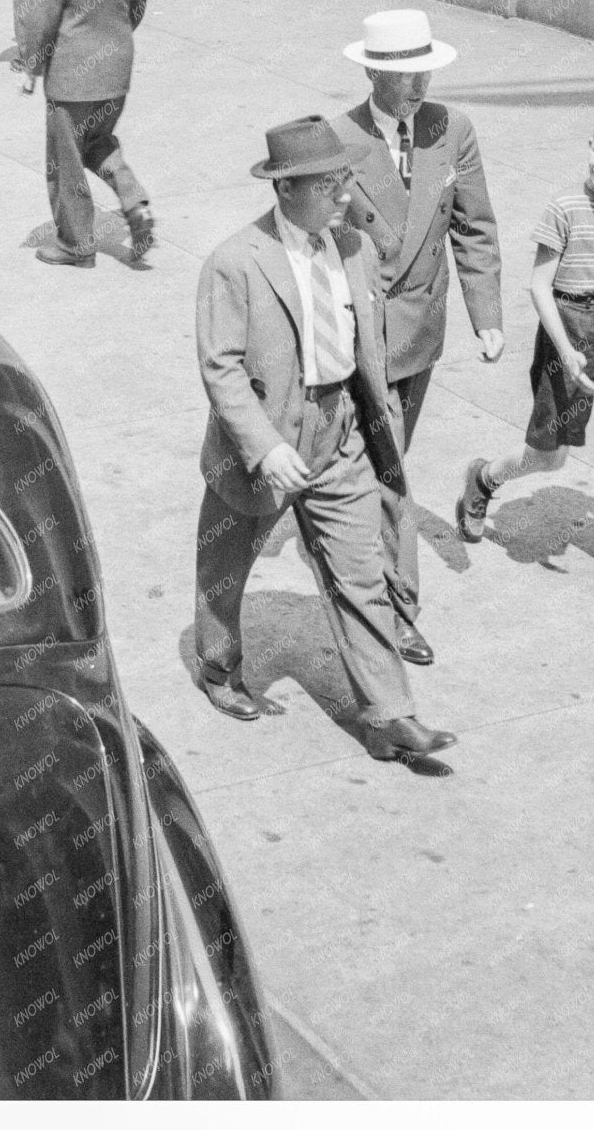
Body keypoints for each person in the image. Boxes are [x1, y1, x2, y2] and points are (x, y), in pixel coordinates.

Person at [191, 116, 456, 764]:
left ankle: (391, 715)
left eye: (346, 179)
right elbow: (220, 365)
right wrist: (264, 446)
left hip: (340, 436)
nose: (346, 194)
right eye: (330, 184)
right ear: (286, 190)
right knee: (227, 566)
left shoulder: (354, 247)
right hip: (266, 437)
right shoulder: (235, 262)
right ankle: (219, 667)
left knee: (359, 573)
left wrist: (379, 412)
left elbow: (370, 338)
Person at [328, 9, 503, 667]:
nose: (417, 84)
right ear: (371, 70)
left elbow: (475, 227)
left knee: (377, 466)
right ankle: (399, 611)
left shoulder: (452, 131)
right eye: (402, 74)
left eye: (423, 70)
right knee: (390, 469)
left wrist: (487, 313)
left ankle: (356, 548)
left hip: (422, 335)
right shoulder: (338, 138)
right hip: (364, 340)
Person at [458, 107, 594, 614]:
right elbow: (539, 283)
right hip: (569, 328)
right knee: (549, 458)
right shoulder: (564, 208)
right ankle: (484, 478)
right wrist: (566, 351)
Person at [19, 0, 155, 268]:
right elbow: (138, 5)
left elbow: (41, 15)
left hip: (71, 74)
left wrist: (30, 65)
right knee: (97, 143)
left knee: (66, 161)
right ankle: (134, 199)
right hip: (117, 70)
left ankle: (76, 244)